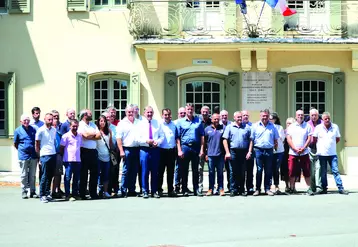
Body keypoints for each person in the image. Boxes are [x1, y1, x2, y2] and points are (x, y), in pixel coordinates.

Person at [313, 112, 349, 195]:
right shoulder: (318, 128)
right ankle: (324, 188)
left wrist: (331, 145)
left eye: (328, 118)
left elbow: (338, 139)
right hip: (322, 154)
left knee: (335, 171)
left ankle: (340, 188)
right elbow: (314, 139)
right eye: (325, 118)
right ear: (322, 119)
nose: (327, 120)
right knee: (323, 172)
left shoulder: (335, 127)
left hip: (332, 154)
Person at [247, 109, 279, 196]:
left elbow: (276, 139)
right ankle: (257, 189)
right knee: (259, 170)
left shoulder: (273, 126)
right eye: (263, 116)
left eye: (266, 116)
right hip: (258, 150)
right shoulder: (255, 126)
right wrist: (250, 151)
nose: (264, 117)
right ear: (260, 116)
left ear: (268, 116)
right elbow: (251, 140)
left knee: (268, 170)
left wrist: (275, 149)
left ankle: (267, 189)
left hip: (269, 150)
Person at [176, 103, 205, 197]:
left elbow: (202, 136)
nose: (190, 111)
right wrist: (179, 150)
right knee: (184, 170)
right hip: (185, 147)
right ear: (185, 110)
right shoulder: (180, 122)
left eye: (191, 109)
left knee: (195, 170)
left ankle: (196, 189)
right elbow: (178, 138)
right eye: (188, 109)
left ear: (193, 110)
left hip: (195, 147)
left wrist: (201, 149)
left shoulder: (198, 121)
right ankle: (184, 189)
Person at [137, 106, 164, 199]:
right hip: (145, 149)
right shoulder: (140, 124)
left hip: (155, 149)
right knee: (144, 171)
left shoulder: (157, 123)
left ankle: (154, 191)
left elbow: (162, 136)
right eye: (147, 112)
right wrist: (146, 141)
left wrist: (158, 142)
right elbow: (137, 138)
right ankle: (145, 191)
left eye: (151, 112)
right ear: (144, 113)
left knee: (155, 171)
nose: (149, 114)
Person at [223, 111, 251, 197]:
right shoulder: (229, 127)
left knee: (242, 171)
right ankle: (233, 189)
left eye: (240, 117)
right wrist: (227, 152)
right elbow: (225, 140)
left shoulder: (247, 127)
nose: (239, 118)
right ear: (234, 118)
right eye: (238, 117)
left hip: (243, 151)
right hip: (233, 151)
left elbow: (251, 140)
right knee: (232, 171)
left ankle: (242, 189)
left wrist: (249, 151)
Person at [286, 110, 314, 195]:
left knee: (307, 171)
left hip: (304, 153)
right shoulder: (291, 127)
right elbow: (288, 138)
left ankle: (309, 188)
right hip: (293, 153)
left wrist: (303, 148)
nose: (300, 116)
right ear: (296, 116)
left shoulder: (307, 126)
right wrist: (294, 148)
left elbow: (309, 138)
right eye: (298, 115)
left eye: (302, 115)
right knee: (291, 171)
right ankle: (292, 188)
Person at [116, 105, 140, 197]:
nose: (130, 113)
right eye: (128, 112)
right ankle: (123, 190)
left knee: (134, 170)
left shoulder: (138, 122)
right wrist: (121, 151)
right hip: (127, 149)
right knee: (126, 170)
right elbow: (118, 138)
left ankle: (132, 190)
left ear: (135, 112)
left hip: (136, 149)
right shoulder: (122, 123)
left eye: (132, 111)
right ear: (125, 113)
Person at [14, 114, 38, 199]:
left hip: (33, 155)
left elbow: (36, 141)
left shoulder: (33, 129)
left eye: (28, 120)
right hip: (23, 156)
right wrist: (22, 149)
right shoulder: (17, 130)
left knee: (32, 175)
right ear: (21, 121)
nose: (26, 121)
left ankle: (32, 191)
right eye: (24, 120)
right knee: (23, 174)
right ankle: (24, 191)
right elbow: (15, 144)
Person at [78, 109, 101, 200]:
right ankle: (82, 193)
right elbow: (85, 135)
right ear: (84, 115)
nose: (91, 115)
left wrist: (91, 135)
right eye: (89, 114)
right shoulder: (80, 124)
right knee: (83, 173)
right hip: (84, 151)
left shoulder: (93, 124)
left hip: (93, 151)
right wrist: (93, 134)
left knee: (94, 173)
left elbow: (99, 136)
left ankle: (93, 193)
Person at [35, 113, 57, 203]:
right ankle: (42, 195)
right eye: (49, 119)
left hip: (53, 154)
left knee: (50, 175)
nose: (50, 121)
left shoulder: (54, 130)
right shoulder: (40, 130)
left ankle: (47, 193)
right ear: (44, 119)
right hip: (44, 155)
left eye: (52, 119)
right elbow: (37, 144)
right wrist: (39, 157)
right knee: (44, 175)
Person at [158, 108, 179, 197]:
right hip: (161, 151)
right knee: (160, 172)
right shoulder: (159, 125)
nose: (167, 116)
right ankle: (159, 190)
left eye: (168, 114)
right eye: (165, 114)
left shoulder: (174, 125)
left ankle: (170, 190)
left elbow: (176, 138)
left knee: (170, 172)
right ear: (162, 115)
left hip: (171, 151)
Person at [60, 119, 82, 201]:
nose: (75, 127)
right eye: (73, 126)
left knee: (76, 178)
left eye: (76, 126)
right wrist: (63, 158)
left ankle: (75, 194)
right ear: (70, 126)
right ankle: (67, 195)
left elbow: (80, 147)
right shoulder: (65, 136)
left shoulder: (79, 136)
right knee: (68, 178)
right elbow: (61, 148)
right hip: (68, 160)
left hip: (77, 160)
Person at [204, 113, 225, 196]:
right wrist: (205, 154)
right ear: (211, 119)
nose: (216, 120)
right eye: (215, 119)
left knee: (220, 173)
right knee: (211, 173)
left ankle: (221, 189)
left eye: (217, 119)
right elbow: (204, 143)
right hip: (210, 155)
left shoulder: (223, 128)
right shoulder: (207, 129)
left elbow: (225, 141)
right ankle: (210, 189)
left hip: (220, 155)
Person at [102, 111, 120, 196]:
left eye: (109, 117)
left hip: (113, 153)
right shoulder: (99, 128)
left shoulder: (115, 128)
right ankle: (104, 189)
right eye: (106, 118)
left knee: (114, 170)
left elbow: (117, 140)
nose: (108, 119)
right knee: (104, 171)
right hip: (102, 153)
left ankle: (115, 189)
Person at [96, 115, 113, 199]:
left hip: (107, 156)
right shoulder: (96, 131)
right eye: (101, 121)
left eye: (104, 121)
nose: (102, 123)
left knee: (106, 174)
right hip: (99, 156)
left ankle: (105, 191)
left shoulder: (109, 131)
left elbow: (110, 144)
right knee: (99, 174)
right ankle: (100, 190)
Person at [307, 108, 323, 194]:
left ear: (318, 115)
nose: (314, 117)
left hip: (320, 148)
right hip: (310, 148)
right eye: (312, 115)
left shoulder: (322, 123)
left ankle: (318, 187)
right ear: (310, 116)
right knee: (311, 169)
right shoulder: (307, 124)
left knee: (319, 167)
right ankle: (312, 187)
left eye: (315, 115)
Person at [269, 112, 285, 194]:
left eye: (271, 119)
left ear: (275, 119)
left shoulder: (280, 127)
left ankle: (276, 185)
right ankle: (269, 186)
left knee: (276, 169)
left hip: (279, 151)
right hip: (270, 151)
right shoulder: (268, 127)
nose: (270, 120)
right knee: (270, 169)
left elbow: (282, 139)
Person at [198, 106, 211, 194]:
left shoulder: (212, 122)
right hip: (200, 149)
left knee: (211, 170)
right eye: (203, 111)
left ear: (209, 112)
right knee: (200, 169)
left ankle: (212, 187)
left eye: (206, 112)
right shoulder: (198, 122)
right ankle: (200, 187)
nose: (205, 113)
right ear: (201, 112)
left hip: (210, 150)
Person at [51, 110, 64, 199]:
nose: (56, 118)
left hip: (59, 154)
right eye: (54, 116)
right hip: (50, 153)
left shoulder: (61, 126)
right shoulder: (48, 128)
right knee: (49, 174)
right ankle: (50, 191)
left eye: (57, 116)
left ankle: (57, 190)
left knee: (58, 174)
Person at [241, 110, 254, 194]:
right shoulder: (238, 125)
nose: (245, 116)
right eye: (244, 115)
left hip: (250, 151)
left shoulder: (252, 126)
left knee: (250, 170)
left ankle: (250, 187)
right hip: (240, 151)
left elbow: (252, 139)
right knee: (241, 171)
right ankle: (240, 188)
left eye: (247, 115)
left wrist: (250, 151)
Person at [281, 117, 296, 192]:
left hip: (294, 152)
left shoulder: (296, 132)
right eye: (287, 123)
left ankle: (293, 186)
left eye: (290, 123)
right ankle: (287, 185)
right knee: (285, 169)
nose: (289, 125)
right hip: (285, 152)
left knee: (294, 169)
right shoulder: (283, 131)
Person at [174, 106, 186, 193]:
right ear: (178, 114)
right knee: (177, 167)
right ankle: (177, 185)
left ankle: (184, 185)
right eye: (181, 113)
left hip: (184, 148)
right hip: (175, 148)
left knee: (183, 167)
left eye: (184, 113)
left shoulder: (186, 123)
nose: (182, 114)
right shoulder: (174, 123)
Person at [220, 109, 231, 193]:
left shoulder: (231, 124)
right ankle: (220, 188)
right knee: (220, 170)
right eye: (222, 115)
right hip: (219, 151)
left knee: (229, 169)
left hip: (229, 151)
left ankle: (230, 186)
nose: (224, 117)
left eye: (225, 115)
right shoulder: (217, 124)